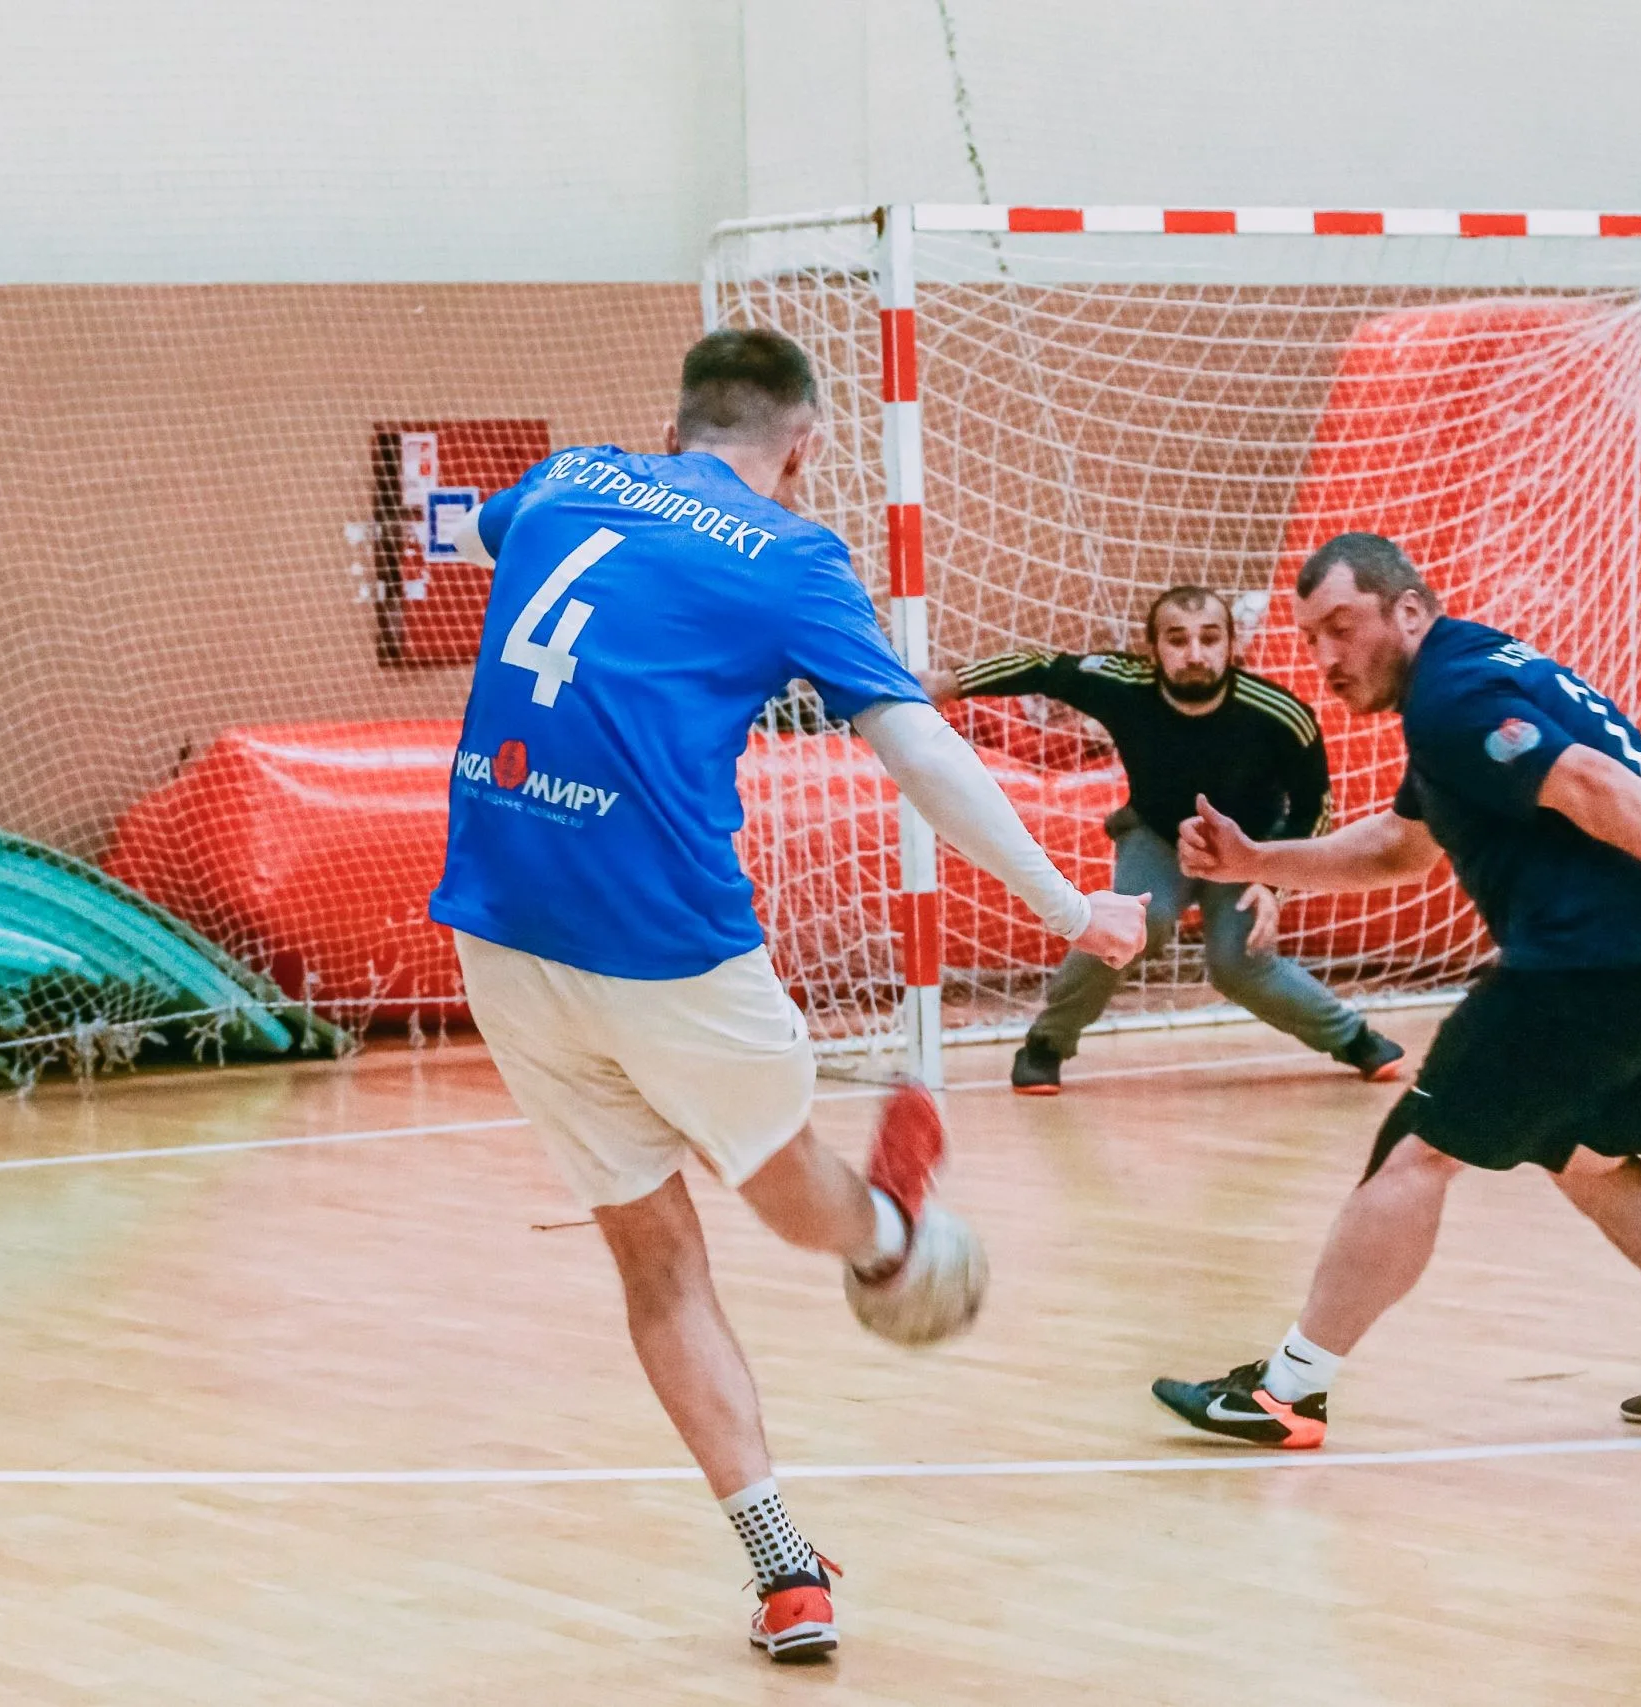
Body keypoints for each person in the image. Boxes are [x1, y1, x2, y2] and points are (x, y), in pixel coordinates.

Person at [428, 328, 1147, 1661]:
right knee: (785, 1192)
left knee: (654, 1259)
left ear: (677, 424)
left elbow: (467, 534)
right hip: (669, 950)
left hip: (500, 931)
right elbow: (918, 749)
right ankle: (888, 1232)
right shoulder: (792, 555)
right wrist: (1071, 906)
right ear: (804, 447)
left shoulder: (568, 478)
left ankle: (781, 1568)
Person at [1151, 533, 1641, 1445]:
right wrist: (1259, 859)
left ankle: (1287, 1390)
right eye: (1310, 639)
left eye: (1342, 626)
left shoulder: (1453, 697)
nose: (1327, 657)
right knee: (1583, 1153)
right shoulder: (1469, 677)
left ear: (1407, 610)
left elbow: (1593, 784)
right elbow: (1401, 848)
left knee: (1415, 1155)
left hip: (1603, 964)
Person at [919, 586, 1404, 1094]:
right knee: (1130, 922)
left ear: (1232, 646)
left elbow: (1315, 808)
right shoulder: (1121, 684)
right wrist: (953, 682)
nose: (1194, 653)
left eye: (1209, 638)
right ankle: (1046, 1042)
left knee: (1239, 962)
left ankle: (1355, 1040)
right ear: (1152, 650)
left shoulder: (1282, 715)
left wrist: (1273, 880)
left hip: (1247, 849)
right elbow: (1042, 666)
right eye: (1177, 639)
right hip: (1156, 832)